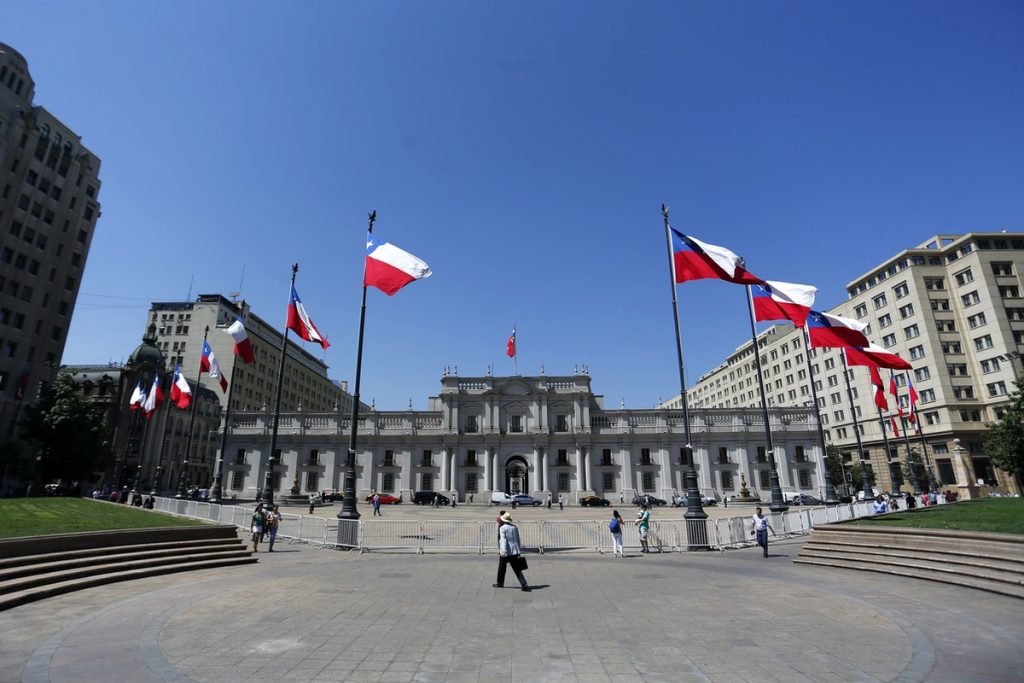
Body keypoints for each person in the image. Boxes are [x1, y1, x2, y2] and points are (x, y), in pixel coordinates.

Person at [494, 512, 530, 591]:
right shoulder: (514, 527)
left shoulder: (503, 528)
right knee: (517, 568)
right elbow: (517, 539)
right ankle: (524, 584)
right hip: (514, 551)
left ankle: (500, 583)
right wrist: (518, 549)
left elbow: (503, 541)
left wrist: (503, 551)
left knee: (502, 567)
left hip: (506, 551)